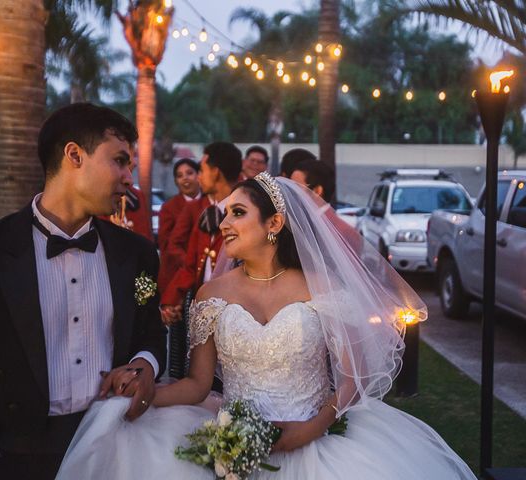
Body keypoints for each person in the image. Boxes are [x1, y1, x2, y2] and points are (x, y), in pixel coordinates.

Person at [56, 172, 476, 480]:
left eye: (238, 213)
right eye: (224, 214)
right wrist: (147, 395)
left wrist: (314, 426)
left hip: (321, 443)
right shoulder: (211, 296)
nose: (223, 225)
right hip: (233, 442)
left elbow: (351, 379)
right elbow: (199, 386)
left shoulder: (320, 290)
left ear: (274, 224)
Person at [0, 103, 167, 480]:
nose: (129, 177)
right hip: (12, 456)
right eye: (119, 161)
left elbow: (150, 331)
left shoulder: (137, 254)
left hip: (112, 449)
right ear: (74, 155)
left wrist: (145, 364)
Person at [160, 141, 242, 324]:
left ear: (216, 172)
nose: (199, 178)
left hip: (237, 312)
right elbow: (191, 265)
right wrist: (170, 302)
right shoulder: (205, 212)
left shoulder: (247, 211)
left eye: (202, 171)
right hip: (203, 308)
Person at [158, 158, 201, 292]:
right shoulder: (169, 207)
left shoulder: (210, 203)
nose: (185, 179)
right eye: (180, 176)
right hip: (177, 273)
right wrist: (189, 263)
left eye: (189, 173)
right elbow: (166, 244)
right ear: (176, 181)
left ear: (199, 175)